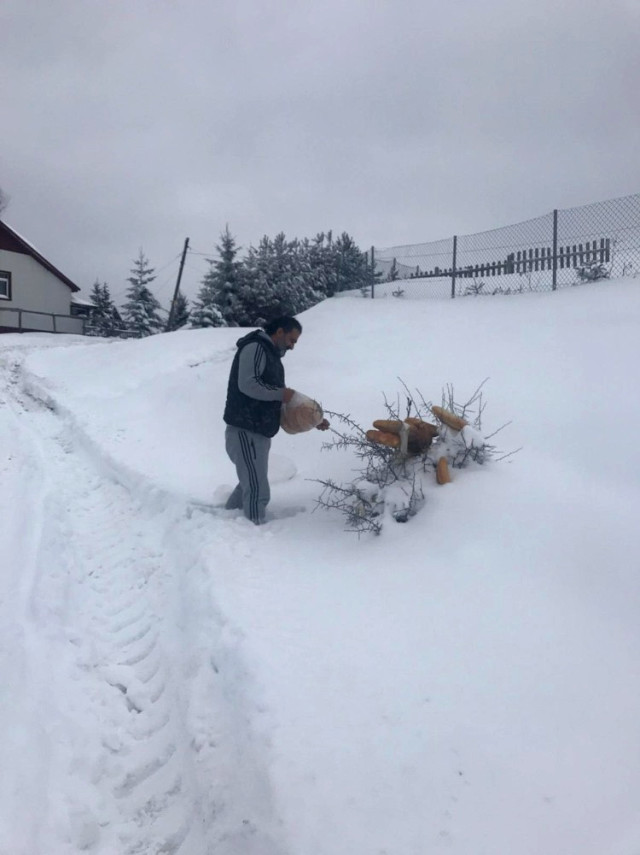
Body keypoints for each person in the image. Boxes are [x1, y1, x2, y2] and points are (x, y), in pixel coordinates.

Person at [223, 315, 329, 524]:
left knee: (250, 481)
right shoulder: (255, 347)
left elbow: (278, 397)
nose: (292, 346)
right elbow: (248, 384)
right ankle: (253, 527)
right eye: (291, 340)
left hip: (260, 430)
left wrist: (313, 420)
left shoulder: (271, 356)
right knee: (256, 486)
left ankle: (227, 518)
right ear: (279, 331)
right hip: (244, 428)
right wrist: (281, 394)